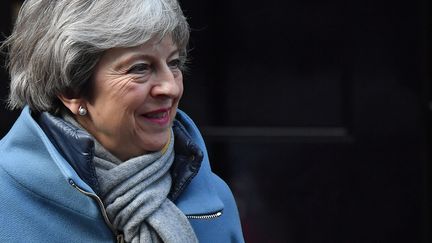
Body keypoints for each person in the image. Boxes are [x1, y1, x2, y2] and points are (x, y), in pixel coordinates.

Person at [0, 0, 244, 242]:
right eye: (140, 68)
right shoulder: (7, 197)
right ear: (71, 89)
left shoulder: (215, 201)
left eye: (174, 63)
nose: (170, 87)